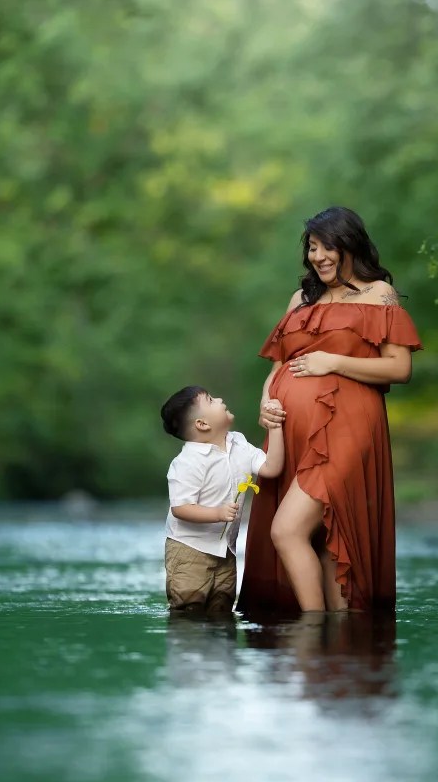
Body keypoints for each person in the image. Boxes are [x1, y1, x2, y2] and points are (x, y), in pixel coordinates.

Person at [237, 206, 422, 615]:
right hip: (293, 435)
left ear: (350, 245)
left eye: (326, 247)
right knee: (324, 541)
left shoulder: (378, 294)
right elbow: (277, 368)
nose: (317, 256)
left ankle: (311, 629)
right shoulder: (301, 299)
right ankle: (338, 648)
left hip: (346, 429)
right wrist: (266, 404)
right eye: (312, 248)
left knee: (287, 531)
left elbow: (399, 368)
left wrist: (332, 362)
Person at [160, 386, 285, 613]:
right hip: (189, 549)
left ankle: (220, 646)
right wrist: (217, 514)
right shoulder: (187, 462)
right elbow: (181, 507)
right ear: (202, 424)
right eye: (210, 399)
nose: (219, 398)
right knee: (189, 606)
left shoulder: (239, 444)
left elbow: (271, 467)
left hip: (225, 549)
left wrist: (275, 426)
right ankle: (188, 645)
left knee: (222, 606)